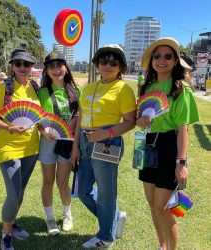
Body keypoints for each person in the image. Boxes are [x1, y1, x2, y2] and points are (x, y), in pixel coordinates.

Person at [71, 44, 136, 248]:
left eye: (113, 62)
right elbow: (81, 117)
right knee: (83, 191)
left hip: (107, 141)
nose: (108, 65)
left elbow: (130, 121)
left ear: (120, 66)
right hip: (84, 140)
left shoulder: (123, 89)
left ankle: (105, 236)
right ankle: (113, 218)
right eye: (103, 61)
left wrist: (105, 133)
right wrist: (75, 147)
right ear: (97, 64)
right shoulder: (90, 87)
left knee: (107, 192)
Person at [137, 37, 199, 250]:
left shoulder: (181, 88)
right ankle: (162, 246)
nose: (161, 60)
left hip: (169, 146)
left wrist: (181, 163)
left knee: (164, 208)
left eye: (167, 56)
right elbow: (139, 122)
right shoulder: (146, 87)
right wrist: (141, 121)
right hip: (148, 145)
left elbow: (183, 129)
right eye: (157, 56)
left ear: (175, 61)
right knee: (153, 205)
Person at [0, 49, 39, 250]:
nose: (22, 68)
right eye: (18, 64)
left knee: (21, 190)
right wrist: (9, 127)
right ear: (12, 66)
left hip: (31, 147)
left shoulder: (36, 87)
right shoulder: (4, 88)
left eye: (26, 64)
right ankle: (5, 235)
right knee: (13, 194)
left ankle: (12, 222)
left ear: (32, 66)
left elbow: (39, 115)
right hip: (8, 146)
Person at [38, 52, 80, 235]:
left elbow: (80, 116)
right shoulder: (41, 92)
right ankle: (49, 218)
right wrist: (42, 132)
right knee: (48, 181)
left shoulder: (75, 90)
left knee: (63, 182)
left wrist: (74, 128)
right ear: (46, 71)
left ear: (65, 67)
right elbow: (35, 116)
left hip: (67, 142)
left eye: (59, 65)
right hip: (47, 141)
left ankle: (67, 215)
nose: (56, 69)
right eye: (51, 66)